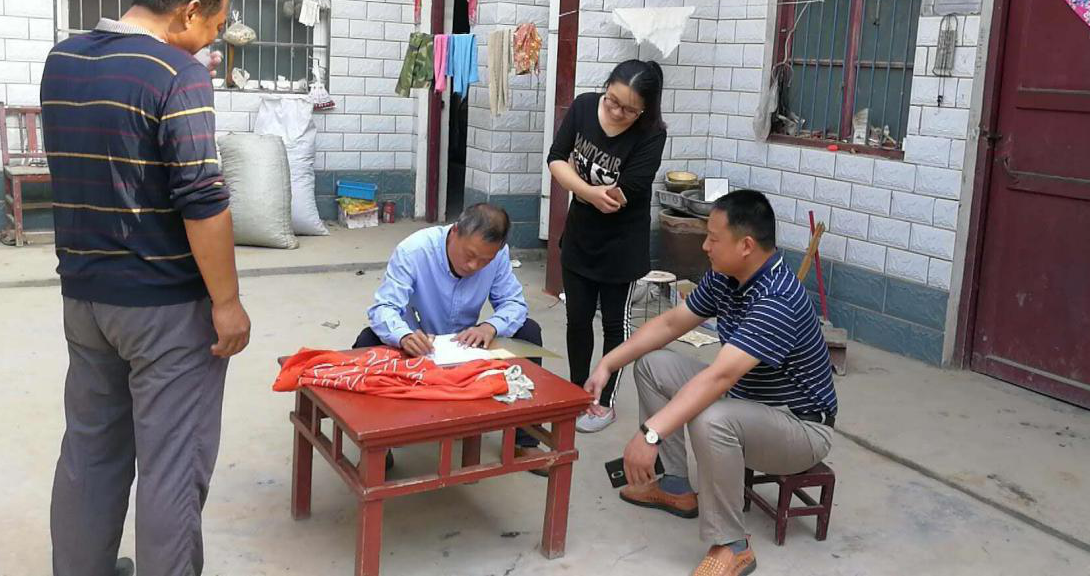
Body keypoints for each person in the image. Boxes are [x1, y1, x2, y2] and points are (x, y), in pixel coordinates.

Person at [45, 0, 249, 576]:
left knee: (90, 451)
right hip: (163, 308)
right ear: (189, 11)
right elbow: (202, 197)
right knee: (172, 464)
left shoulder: (63, 59)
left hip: (85, 298)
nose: (211, 42)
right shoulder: (175, 73)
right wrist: (227, 302)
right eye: (214, 26)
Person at [585, 190, 838, 576]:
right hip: (747, 401)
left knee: (712, 418)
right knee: (653, 366)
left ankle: (733, 544)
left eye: (713, 238)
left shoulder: (778, 298)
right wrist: (608, 363)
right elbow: (671, 323)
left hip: (799, 427)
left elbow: (720, 377)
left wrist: (650, 434)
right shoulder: (727, 277)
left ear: (746, 246)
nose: (705, 246)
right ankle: (675, 487)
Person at [353, 203, 550, 469]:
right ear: (455, 231)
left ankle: (525, 441)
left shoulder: (498, 255)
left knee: (528, 332)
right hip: (417, 345)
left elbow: (514, 304)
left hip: (466, 344)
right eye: (470, 255)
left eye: (485, 261)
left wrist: (490, 327)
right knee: (367, 342)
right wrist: (403, 335)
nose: (474, 266)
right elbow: (383, 308)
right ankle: (377, 447)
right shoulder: (415, 250)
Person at [547, 59, 667, 433]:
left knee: (615, 325)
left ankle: (603, 401)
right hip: (580, 236)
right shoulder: (584, 106)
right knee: (578, 319)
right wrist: (587, 191)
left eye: (629, 110)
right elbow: (556, 158)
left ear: (645, 110)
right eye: (613, 101)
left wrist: (584, 186)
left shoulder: (652, 133)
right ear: (606, 88)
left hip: (621, 245)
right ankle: (577, 392)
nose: (617, 112)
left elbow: (622, 195)